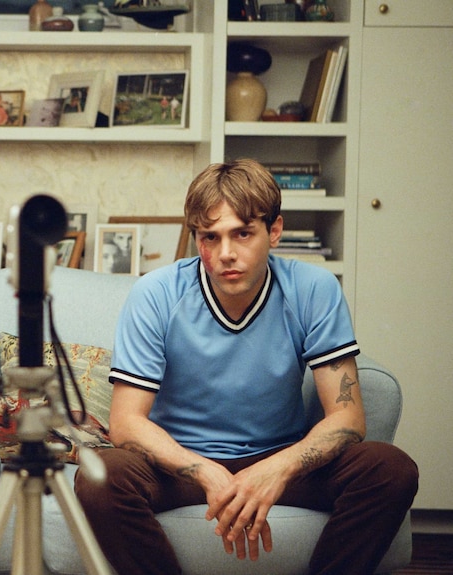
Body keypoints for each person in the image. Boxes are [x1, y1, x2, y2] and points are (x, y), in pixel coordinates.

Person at [75, 158, 418, 575]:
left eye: (242, 233)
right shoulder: (156, 294)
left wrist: (277, 469)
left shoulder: (313, 289)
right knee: (100, 476)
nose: (225, 254)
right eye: (210, 237)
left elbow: (348, 418)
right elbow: (126, 424)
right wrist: (208, 474)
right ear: (196, 238)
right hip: (178, 463)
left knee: (391, 469)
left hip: (280, 454)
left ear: (274, 231)